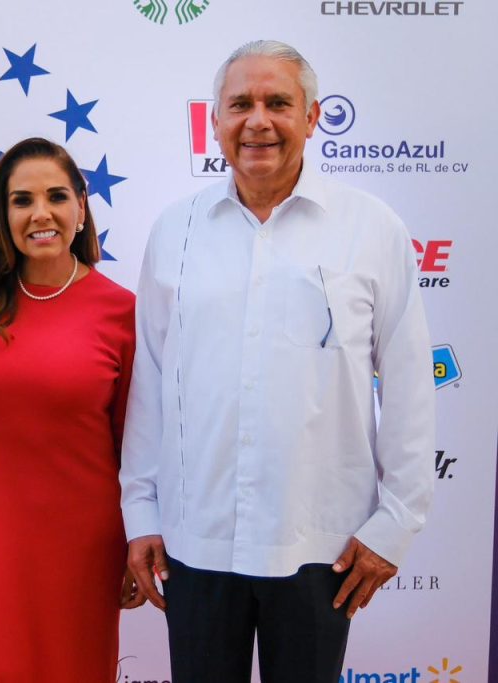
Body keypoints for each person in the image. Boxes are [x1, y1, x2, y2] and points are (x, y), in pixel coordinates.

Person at [121, 40, 435, 682]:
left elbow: (408, 385)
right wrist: (141, 513)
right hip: (195, 539)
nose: (257, 121)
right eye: (240, 104)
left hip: (321, 546)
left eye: (278, 103)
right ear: (215, 121)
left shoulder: (372, 229)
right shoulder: (175, 231)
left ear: (313, 117)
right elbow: (151, 380)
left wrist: (395, 524)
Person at [0, 137, 137, 681]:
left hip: (84, 538)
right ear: (3, 216)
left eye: (56, 196)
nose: (40, 213)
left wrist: (137, 537)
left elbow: (136, 444)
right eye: (22, 200)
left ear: (81, 208)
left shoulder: (123, 312)